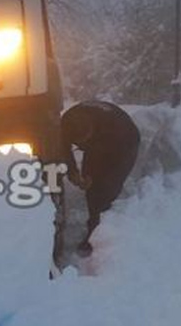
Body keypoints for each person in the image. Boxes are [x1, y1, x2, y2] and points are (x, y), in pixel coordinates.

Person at [62, 101, 140, 256]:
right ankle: (94, 216)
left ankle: (100, 235)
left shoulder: (116, 132)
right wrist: (74, 173)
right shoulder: (66, 122)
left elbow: (109, 165)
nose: (81, 145)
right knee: (90, 186)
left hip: (125, 143)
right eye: (78, 143)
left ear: (92, 132)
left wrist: (95, 179)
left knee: (105, 188)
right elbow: (63, 149)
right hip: (100, 138)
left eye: (84, 141)